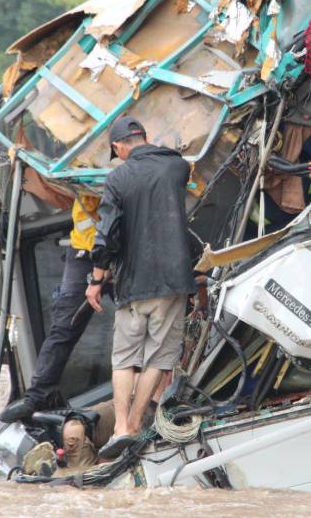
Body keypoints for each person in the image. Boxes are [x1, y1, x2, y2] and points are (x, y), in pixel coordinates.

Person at [86, 116, 195, 459]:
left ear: (118, 147)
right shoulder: (176, 168)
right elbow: (174, 165)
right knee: (159, 358)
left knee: (124, 359)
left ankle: (120, 428)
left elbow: (106, 234)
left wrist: (96, 280)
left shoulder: (117, 177)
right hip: (174, 282)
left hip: (133, 284)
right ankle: (134, 425)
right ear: (145, 137)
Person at [0, 194, 101, 422]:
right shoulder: (84, 163)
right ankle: (38, 396)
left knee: (137, 321)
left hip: (126, 248)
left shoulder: (134, 169)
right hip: (85, 248)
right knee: (65, 323)